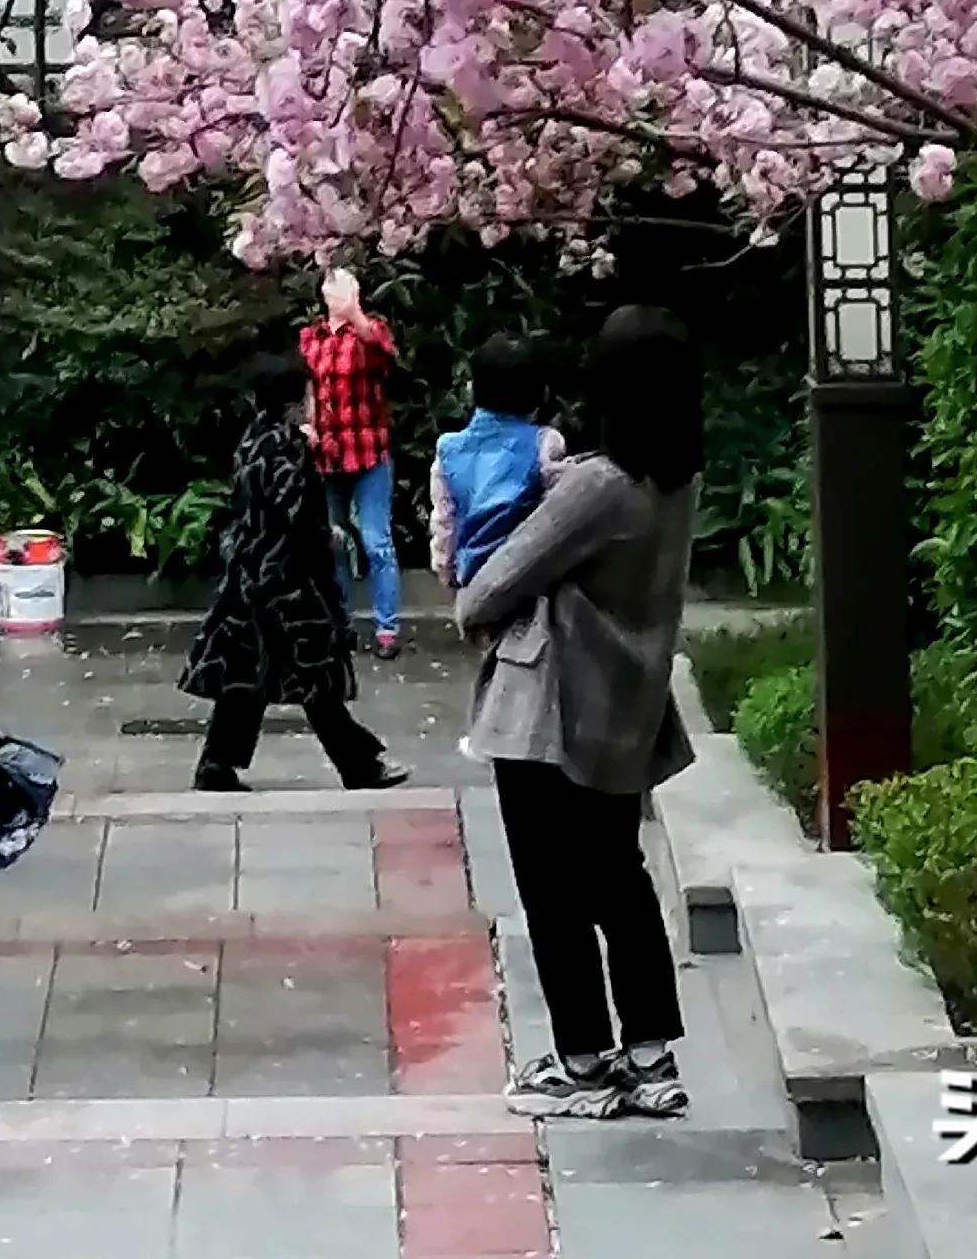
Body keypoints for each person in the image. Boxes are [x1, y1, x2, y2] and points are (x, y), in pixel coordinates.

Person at [452, 300, 702, 1124]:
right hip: (626, 709)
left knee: (551, 892)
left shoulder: (595, 484)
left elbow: (485, 591)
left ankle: (583, 1064)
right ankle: (651, 1054)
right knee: (618, 880)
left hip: (545, 712)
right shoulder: (676, 481)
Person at [185, 344, 409, 792]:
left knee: (247, 676)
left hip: (250, 575)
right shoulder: (290, 448)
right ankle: (359, 766)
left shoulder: (252, 440)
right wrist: (326, 541)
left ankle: (217, 765)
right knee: (316, 676)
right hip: (288, 582)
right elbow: (295, 517)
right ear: (296, 400)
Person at [302, 260, 406, 660]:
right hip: (328, 456)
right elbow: (309, 386)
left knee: (376, 540)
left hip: (368, 452)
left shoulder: (370, 331)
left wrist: (356, 315)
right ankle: (339, 623)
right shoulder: (311, 338)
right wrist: (307, 425)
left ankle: (387, 627)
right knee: (333, 541)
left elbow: (386, 358)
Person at [430, 327, 565, 586]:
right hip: (527, 579)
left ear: (473, 389)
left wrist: (447, 573)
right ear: (540, 394)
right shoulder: (545, 443)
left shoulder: (448, 449)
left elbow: (445, 523)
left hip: (472, 579)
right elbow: (557, 517)